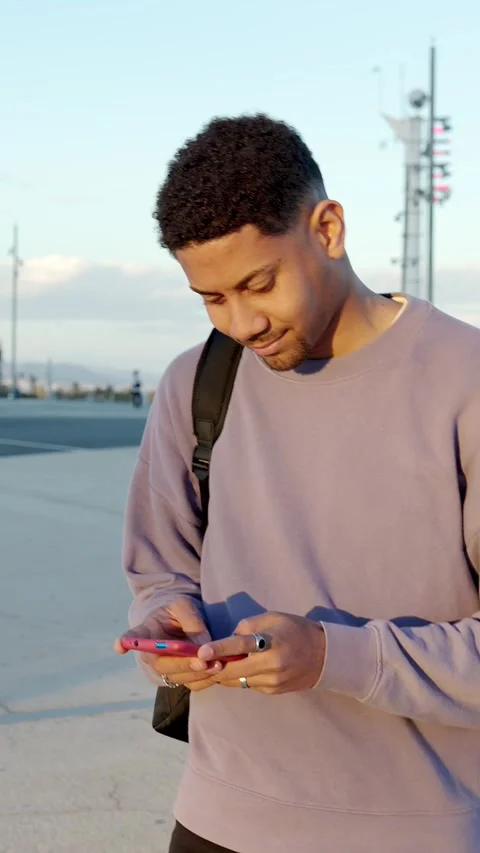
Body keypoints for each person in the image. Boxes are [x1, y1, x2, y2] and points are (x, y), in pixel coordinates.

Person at [115, 114, 480, 853]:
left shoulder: (464, 383)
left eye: (258, 283)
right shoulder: (198, 381)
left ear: (329, 228)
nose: (242, 322)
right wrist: (166, 617)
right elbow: (161, 568)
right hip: (216, 819)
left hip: (413, 832)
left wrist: (331, 655)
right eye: (212, 298)